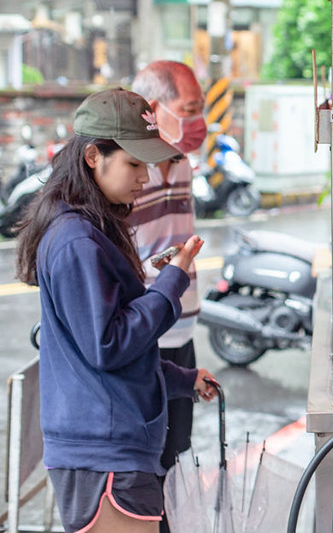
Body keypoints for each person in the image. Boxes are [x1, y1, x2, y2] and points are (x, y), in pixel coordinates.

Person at [15, 88, 217, 533]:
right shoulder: (76, 241)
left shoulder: (92, 230)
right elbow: (109, 345)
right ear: (93, 156)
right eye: (133, 163)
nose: (144, 178)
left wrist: (182, 379)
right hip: (103, 456)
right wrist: (173, 280)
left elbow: (113, 350)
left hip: (114, 448)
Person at [129, 60, 207, 484]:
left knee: (178, 453)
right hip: (144, 333)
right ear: (156, 108)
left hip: (183, 331)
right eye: (190, 108)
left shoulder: (181, 162)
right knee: (146, 459)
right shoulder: (124, 173)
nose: (198, 121)